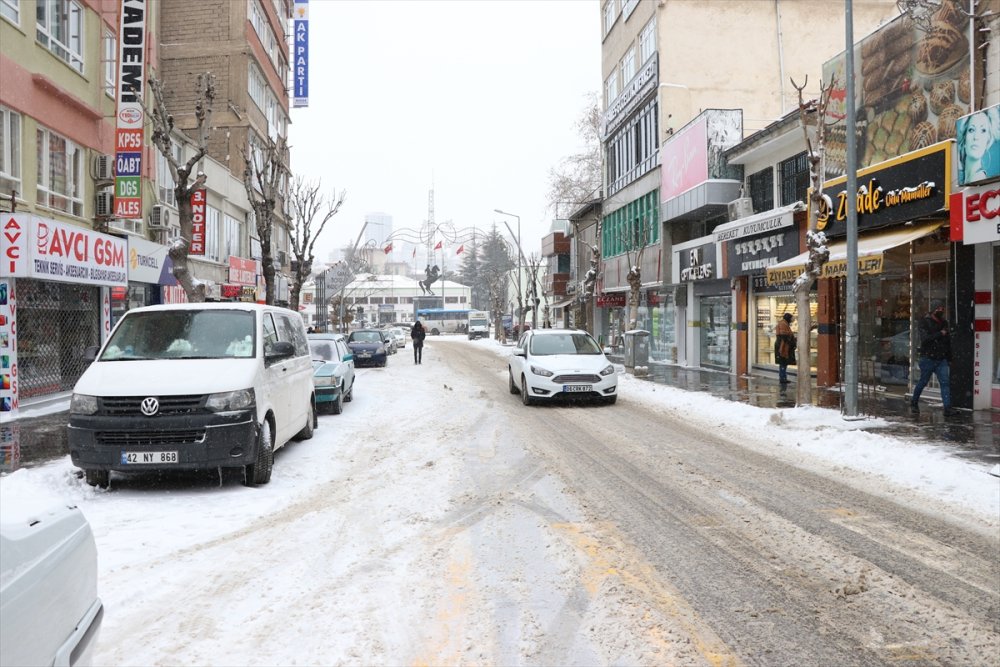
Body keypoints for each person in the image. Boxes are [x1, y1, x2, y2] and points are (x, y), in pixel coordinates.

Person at [910, 300, 953, 416]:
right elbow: (925, 339)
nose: (941, 311)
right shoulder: (924, 322)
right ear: (933, 310)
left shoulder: (944, 322)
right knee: (923, 382)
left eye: (942, 309)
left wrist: (949, 358)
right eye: (938, 309)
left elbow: (947, 342)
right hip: (928, 358)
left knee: (945, 383)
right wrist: (941, 333)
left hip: (941, 358)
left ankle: (947, 408)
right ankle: (914, 402)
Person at [957, 108, 999, 184]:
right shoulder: (964, 179)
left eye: (983, 130)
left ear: (988, 141)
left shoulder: (980, 177)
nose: (976, 137)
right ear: (965, 137)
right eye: (971, 130)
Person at [774, 312, 797, 385]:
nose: (791, 320)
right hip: (783, 347)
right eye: (791, 318)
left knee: (783, 363)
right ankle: (783, 379)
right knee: (783, 363)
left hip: (783, 346)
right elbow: (784, 337)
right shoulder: (783, 324)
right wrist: (783, 348)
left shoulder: (783, 323)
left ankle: (783, 378)